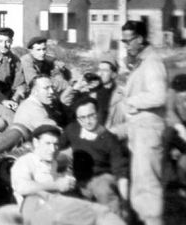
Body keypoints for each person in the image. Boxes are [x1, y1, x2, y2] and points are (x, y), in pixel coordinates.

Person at [11, 125, 125, 225]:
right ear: (36, 143)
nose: (52, 149)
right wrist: (57, 185)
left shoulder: (53, 162)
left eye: (55, 144)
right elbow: (22, 187)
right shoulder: (25, 162)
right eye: (47, 143)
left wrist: (67, 182)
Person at [121, 20, 167, 225]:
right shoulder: (141, 61)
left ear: (140, 39)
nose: (126, 45)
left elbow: (159, 95)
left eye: (128, 40)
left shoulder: (152, 62)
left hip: (148, 130)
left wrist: (132, 101)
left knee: (148, 185)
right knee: (140, 185)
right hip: (139, 129)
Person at [58, 96, 129, 215]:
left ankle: (114, 219)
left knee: (103, 190)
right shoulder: (72, 130)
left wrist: (125, 199)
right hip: (77, 177)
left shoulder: (109, 139)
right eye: (82, 118)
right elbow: (57, 145)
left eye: (91, 115)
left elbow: (120, 170)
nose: (87, 121)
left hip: (101, 176)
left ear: (98, 114)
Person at [92, 55, 126, 138]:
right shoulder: (92, 93)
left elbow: (128, 124)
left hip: (112, 141)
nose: (100, 74)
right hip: (92, 142)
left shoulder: (122, 96)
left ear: (113, 74)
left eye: (105, 70)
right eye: (99, 70)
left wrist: (112, 134)